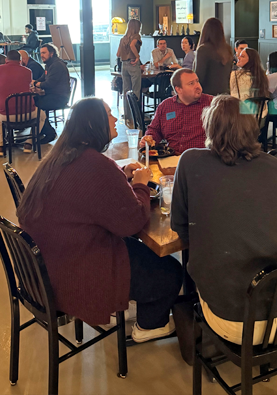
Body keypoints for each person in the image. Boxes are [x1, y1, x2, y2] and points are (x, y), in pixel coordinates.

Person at [171, 95, 277, 395]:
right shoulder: (274, 167)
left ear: (210, 127)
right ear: (253, 127)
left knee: (211, 274)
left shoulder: (191, 161)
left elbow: (180, 227)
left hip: (236, 320)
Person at [17, 98, 182, 342]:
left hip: (46, 263)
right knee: (170, 271)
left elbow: (89, 196)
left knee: (136, 249)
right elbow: (131, 223)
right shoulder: (95, 165)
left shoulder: (59, 155)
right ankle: (149, 326)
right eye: (109, 114)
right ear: (94, 124)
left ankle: (129, 303)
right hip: (74, 273)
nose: (115, 119)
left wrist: (121, 177)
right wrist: (140, 184)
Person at [139, 68, 213, 154]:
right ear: (178, 89)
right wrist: (148, 138)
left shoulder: (212, 104)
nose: (197, 86)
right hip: (171, 156)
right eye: (191, 83)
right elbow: (155, 130)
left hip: (199, 158)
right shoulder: (166, 106)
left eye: (197, 81)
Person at [0, 50, 46, 155]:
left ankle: (1, 146)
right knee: (42, 116)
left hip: (6, 115)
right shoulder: (28, 71)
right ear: (20, 61)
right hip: (28, 114)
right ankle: (29, 143)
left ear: (6, 60)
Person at [32, 43, 71, 144]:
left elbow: (49, 84)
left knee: (36, 106)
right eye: (41, 53)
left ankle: (50, 133)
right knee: (33, 101)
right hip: (52, 95)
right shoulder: (49, 65)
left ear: (52, 53)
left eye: (44, 53)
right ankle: (41, 130)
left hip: (60, 98)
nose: (42, 55)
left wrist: (36, 83)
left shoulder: (57, 65)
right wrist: (35, 82)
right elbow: (42, 79)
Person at [194, 18, 233, 95]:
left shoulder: (203, 49)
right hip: (225, 94)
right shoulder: (227, 48)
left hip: (207, 95)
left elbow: (199, 77)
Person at [230, 47, 269, 118]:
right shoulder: (262, 76)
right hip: (260, 117)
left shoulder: (235, 75)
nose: (238, 57)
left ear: (250, 60)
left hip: (240, 118)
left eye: (242, 56)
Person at [116, 19, 142, 124]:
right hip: (133, 64)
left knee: (126, 90)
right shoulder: (136, 37)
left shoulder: (123, 38)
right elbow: (132, 45)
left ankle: (128, 115)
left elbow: (118, 54)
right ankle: (136, 116)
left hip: (124, 65)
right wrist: (137, 56)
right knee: (136, 90)